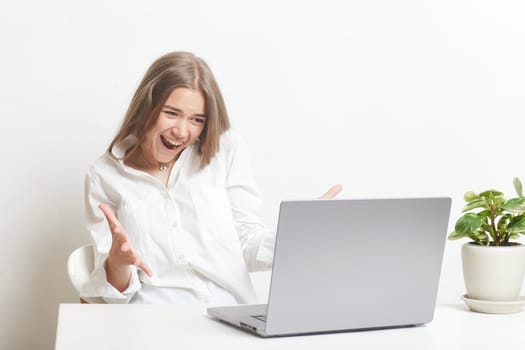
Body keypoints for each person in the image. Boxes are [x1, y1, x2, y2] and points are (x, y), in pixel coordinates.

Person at [80, 51, 342, 305]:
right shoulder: (104, 175)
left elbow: (245, 243)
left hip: (226, 315)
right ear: (146, 107)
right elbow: (114, 294)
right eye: (171, 113)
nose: (182, 131)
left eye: (197, 119)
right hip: (154, 319)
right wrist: (117, 263)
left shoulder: (225, 150)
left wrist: (299, 233)